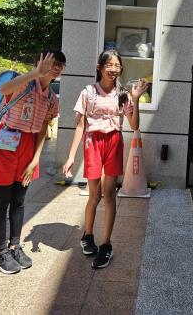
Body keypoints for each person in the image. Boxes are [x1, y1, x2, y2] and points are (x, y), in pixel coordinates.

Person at [62, 49, 147, 269]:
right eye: (109, 65)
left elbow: (134, 125)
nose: (114, 69)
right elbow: (80, 125)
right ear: (99, 67)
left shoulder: (123, 95)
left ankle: (106, 244)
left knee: (109, 195)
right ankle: (87, 235)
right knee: (95, 195)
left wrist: (135, 99)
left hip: (114, 142)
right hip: (93, 142)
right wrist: (71, 157)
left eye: (117, 65)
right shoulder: (88, 92)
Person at [0, 50, 65, 274]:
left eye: (60, 65)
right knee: (2, 199)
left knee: (19, 200)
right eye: (52, 62)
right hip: (6, 141)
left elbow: (43, 129)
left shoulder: (51, 99)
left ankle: (15, 246)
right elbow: (3, 89)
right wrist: (35, 73)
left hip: (28, 146)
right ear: (39, 62)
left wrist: (35, 159)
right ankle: (0, 252)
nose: (56, 67)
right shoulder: (23, 83)